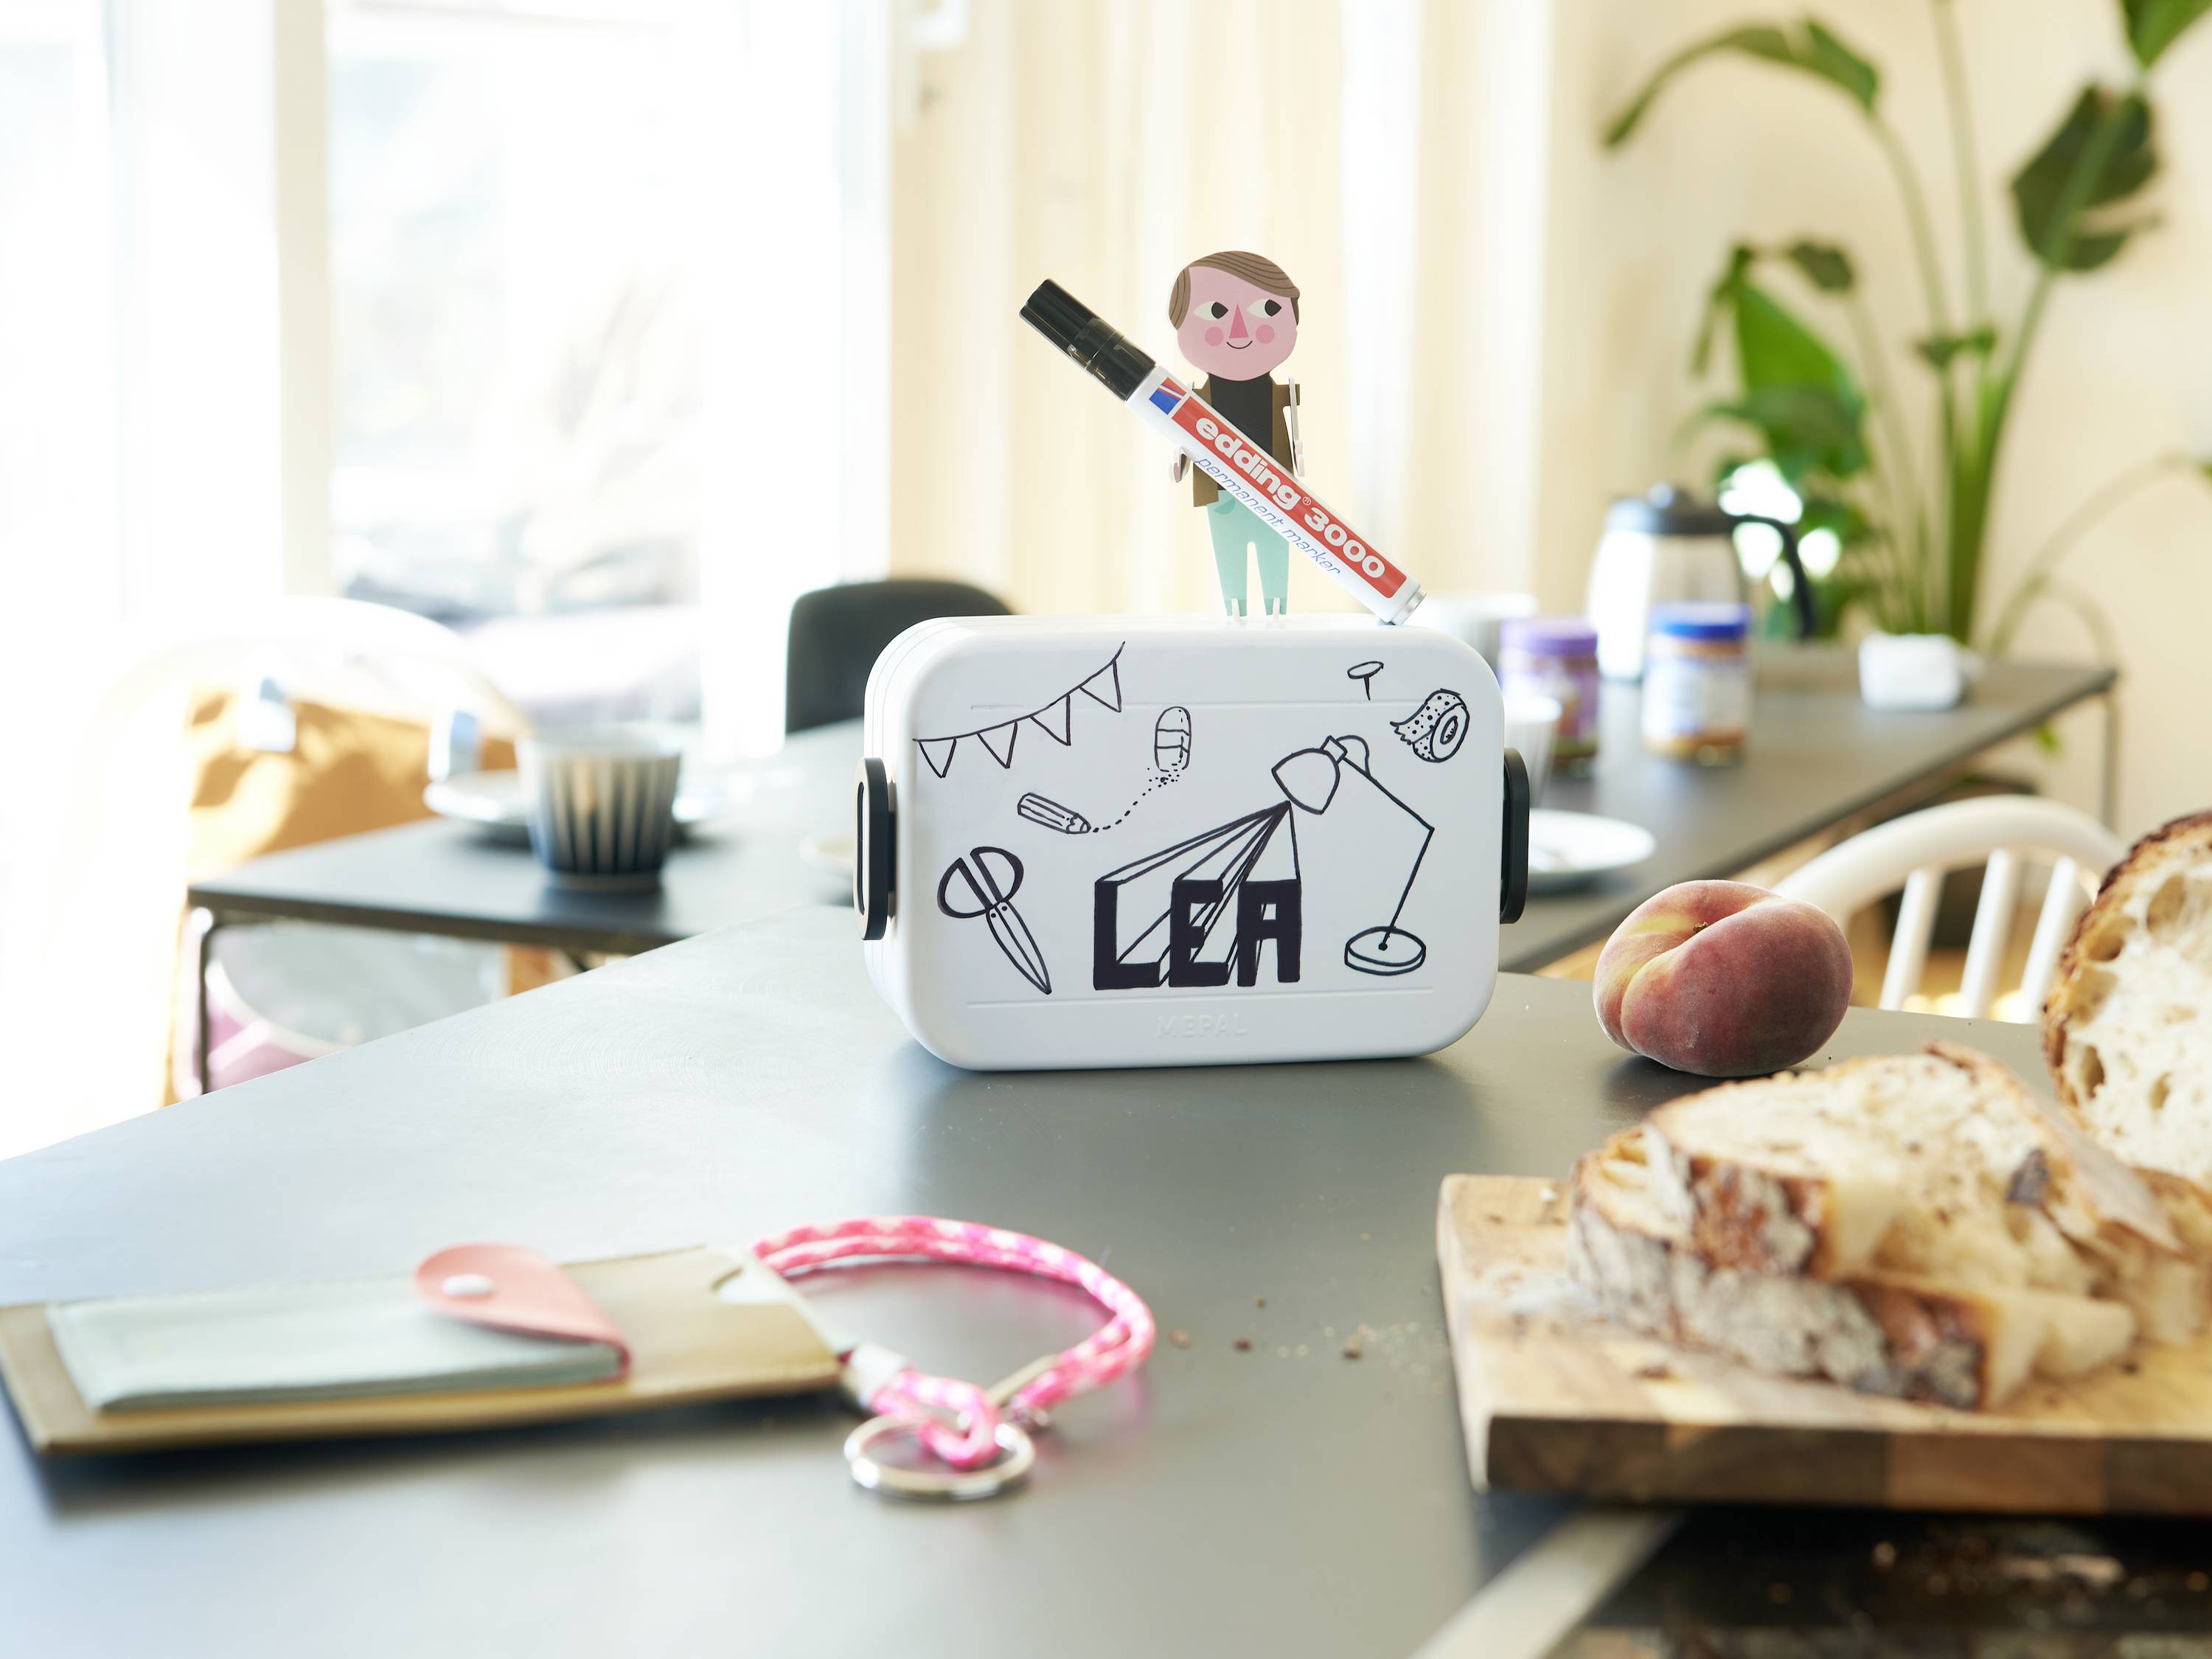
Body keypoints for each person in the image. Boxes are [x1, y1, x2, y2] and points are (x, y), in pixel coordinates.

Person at [1167, 251, 1304, 617]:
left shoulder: (1281, 393)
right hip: (1221, 493)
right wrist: (1179, 463)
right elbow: (1184, 434)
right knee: (1230, 560)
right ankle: (1236, 609)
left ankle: (1277, 608)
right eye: (1215, 313)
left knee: (1275, 551)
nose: (1240, 331)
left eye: (1267, 310)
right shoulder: (1193, 400)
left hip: (1275, 489)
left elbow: (1295, 438)